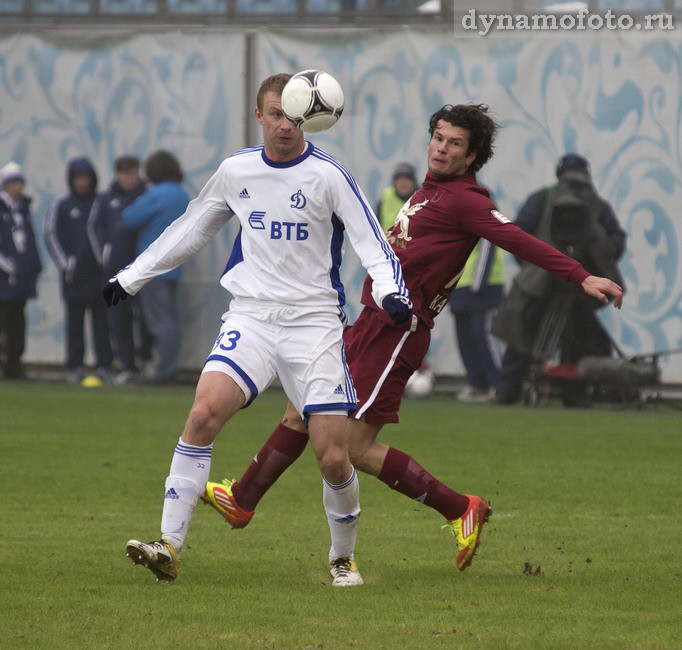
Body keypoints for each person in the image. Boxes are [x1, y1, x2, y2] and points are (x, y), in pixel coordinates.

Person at [201, 104, 623, 574]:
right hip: (368, 323)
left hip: (398, 333)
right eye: (438, 137)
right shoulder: (429, 190)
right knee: (301, 410)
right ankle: (242, 499)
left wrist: (582, 275)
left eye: (454, 143)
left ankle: (460, 507)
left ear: (472, 155)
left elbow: (517, 239)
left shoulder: (466, 200)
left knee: (354, 447)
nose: (441, 148)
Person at [103, 73, 412, 586]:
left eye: (294, 117)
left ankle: (342, 557)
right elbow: (192, 226)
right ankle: (169, 547)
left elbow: (371, 241)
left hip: (314, 326)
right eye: (275, 114)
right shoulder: (236, 171)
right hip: (251, 317)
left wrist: (389, 292)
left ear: (311, 118)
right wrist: (132, 277)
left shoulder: (329, 175)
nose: (284, 126)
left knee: (334, 455)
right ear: (259, 116)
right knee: (202, 414)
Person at [494, 153, 627, 406]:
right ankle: (570, 393)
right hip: (557, 283)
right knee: (564, 335)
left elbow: (517, 234)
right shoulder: (593, 204)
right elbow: (616, 241)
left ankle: (509, 392)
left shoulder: (544, 199)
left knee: (527, 332)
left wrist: (532, 265)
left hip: (564, 286)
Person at [120, 150, 190, 384]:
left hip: (153, 266)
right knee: (169, 318)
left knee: (159, 321)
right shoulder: (182, 194)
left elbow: (128, 218)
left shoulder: (156, 194)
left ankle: (163, 371)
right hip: (174, 265)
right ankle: (167, 366)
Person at [45, 157, 112, 384]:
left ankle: (104, 365)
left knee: (102, 324)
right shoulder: (61, 204)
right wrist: (67, 265)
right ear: (71, 180)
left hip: (99, 275)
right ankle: (75, 366)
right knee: (75, 324)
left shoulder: (101, 201)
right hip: (74, 277)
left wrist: (106, 261)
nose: (82, 182)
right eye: (78, 178)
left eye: (86, 177)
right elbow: (51, 235)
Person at [87, 155, 146, 385]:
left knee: (146, 320)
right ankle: (126, 365)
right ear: (117, 175)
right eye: (125, 174)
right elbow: (94, 227)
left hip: (144, 270)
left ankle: (146, 361)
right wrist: (104, 254)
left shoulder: (145, 195)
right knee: (120, 319)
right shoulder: (105, 197)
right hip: (116, 271)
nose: (130, 179)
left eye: (133, 173)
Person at [0, 161, 42, 380]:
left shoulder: (22, 208)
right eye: (13, 182)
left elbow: (29, 239)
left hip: (21, 279)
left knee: (18, 323)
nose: (18, 187)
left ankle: (14, 365)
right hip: (4, 280)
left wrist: (33, 265)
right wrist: (8, 266)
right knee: (4, 321)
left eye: (20, 182)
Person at [449, 239, 505, 402]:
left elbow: (488, 245)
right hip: (459, 285)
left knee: (483, 336)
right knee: (464, 337)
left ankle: (498, 384)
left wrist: (479, 283)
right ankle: (477, 384)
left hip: (482, 286)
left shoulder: (486, 212)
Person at [375, 162, 419, 231]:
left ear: (414, 182)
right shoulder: (385, 199)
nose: (403, 183)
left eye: (407, 179)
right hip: (389, 241)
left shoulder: (424, 199)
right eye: (399, 179)